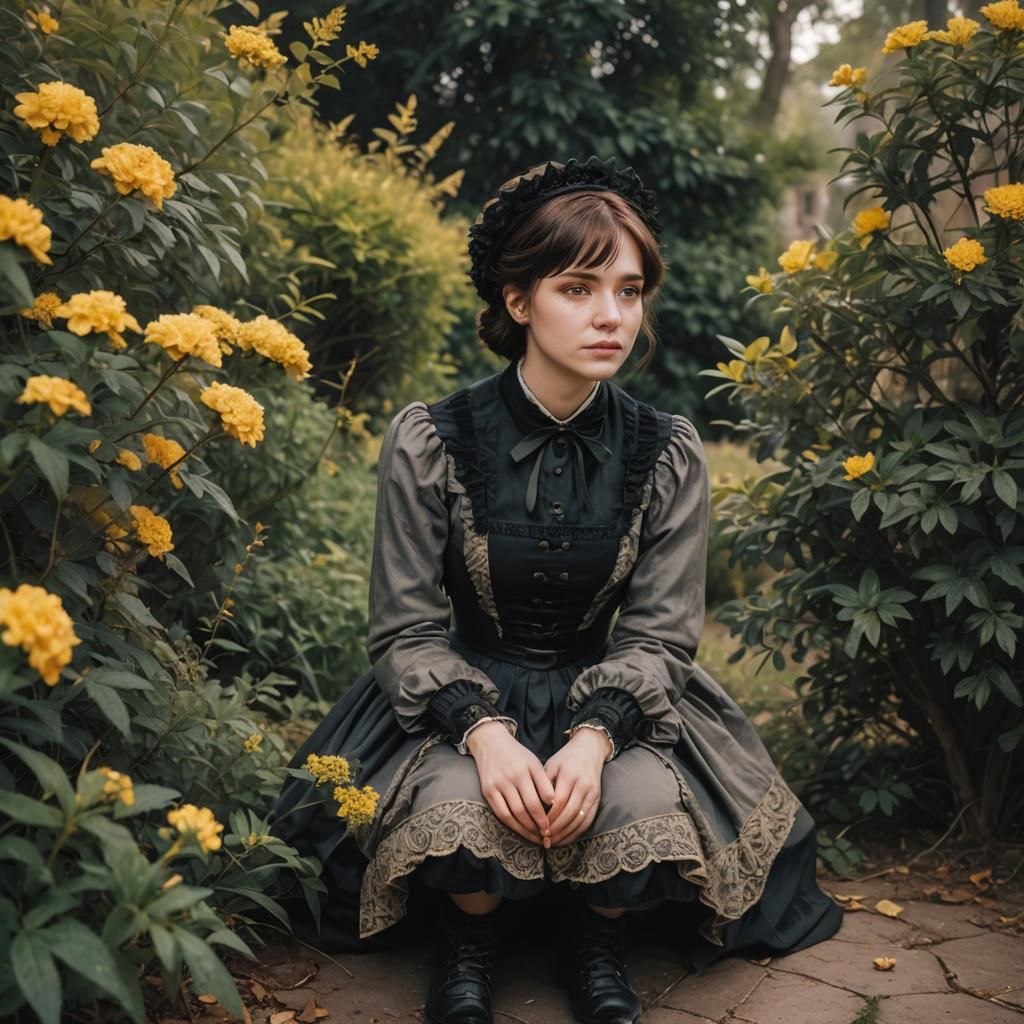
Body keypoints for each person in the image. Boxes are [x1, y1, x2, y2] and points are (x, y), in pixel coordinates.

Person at [271, 155, 843, 1024]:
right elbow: (403, 630)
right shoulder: (432, 437)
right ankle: (468, 944)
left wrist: (594, 740)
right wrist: (484, 733)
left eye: (630, 288)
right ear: (517, 300)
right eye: (578, 288)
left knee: (642, 799)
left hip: (608, 690)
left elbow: (658, 635)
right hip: (463, 687)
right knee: (461, 798)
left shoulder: (667, 448)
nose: (612, 315)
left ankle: (596, 939)